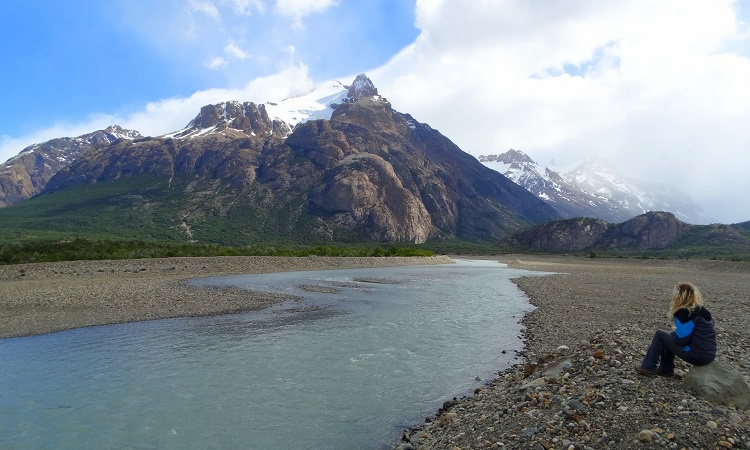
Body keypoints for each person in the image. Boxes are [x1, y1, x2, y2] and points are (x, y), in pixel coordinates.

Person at [635, 282, 716, 377]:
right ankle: (666, 370)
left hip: (696, 355)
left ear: (679, 296)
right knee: (668, 336)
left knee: (660, 334)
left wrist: (673, 335)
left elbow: (682, 340)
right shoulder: (702, 311)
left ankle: (648, 367)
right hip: (709, 354)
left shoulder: (684, 314)